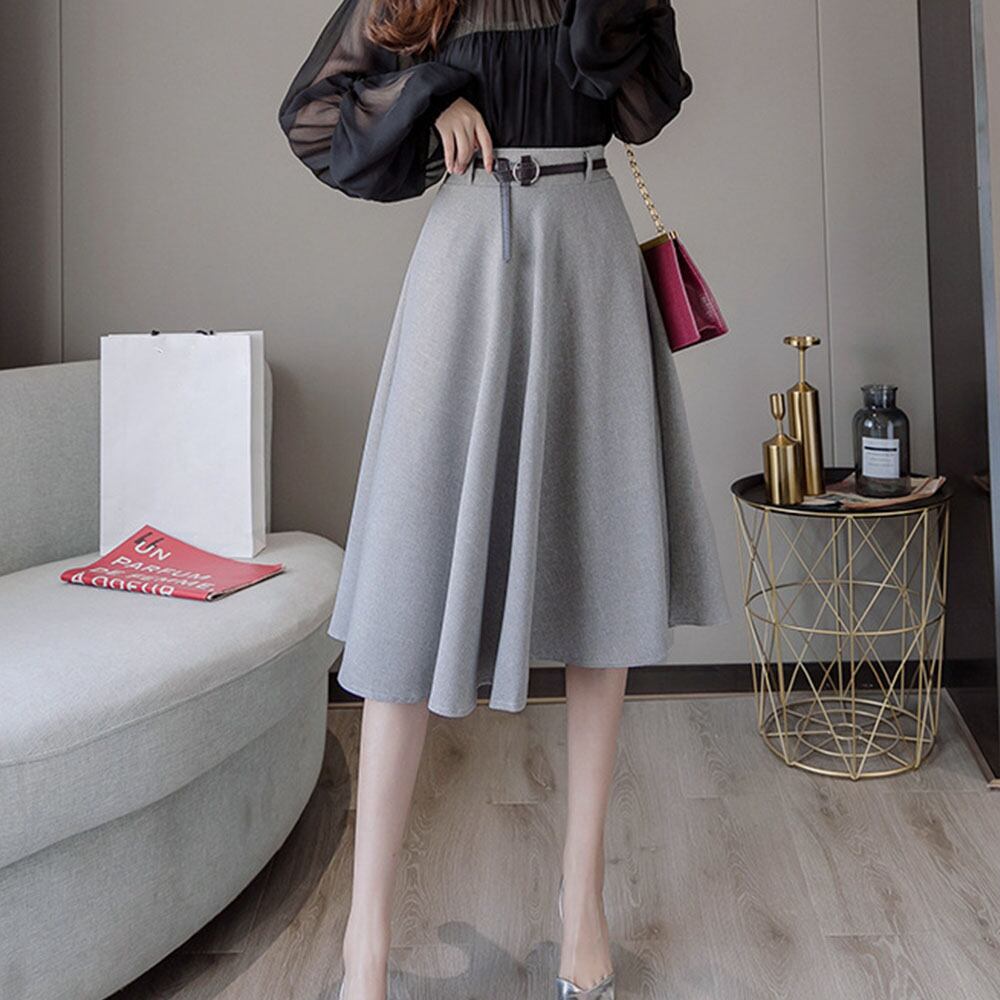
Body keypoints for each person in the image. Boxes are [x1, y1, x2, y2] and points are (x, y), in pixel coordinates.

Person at [278, 1, 730, 997]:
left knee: (602, 575)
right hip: (467, 255)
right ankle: (365, 938)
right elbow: (311, 117)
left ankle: (582, 905)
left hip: (588, 257)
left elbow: (648, 109)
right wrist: (427, 96)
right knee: (410, 586)